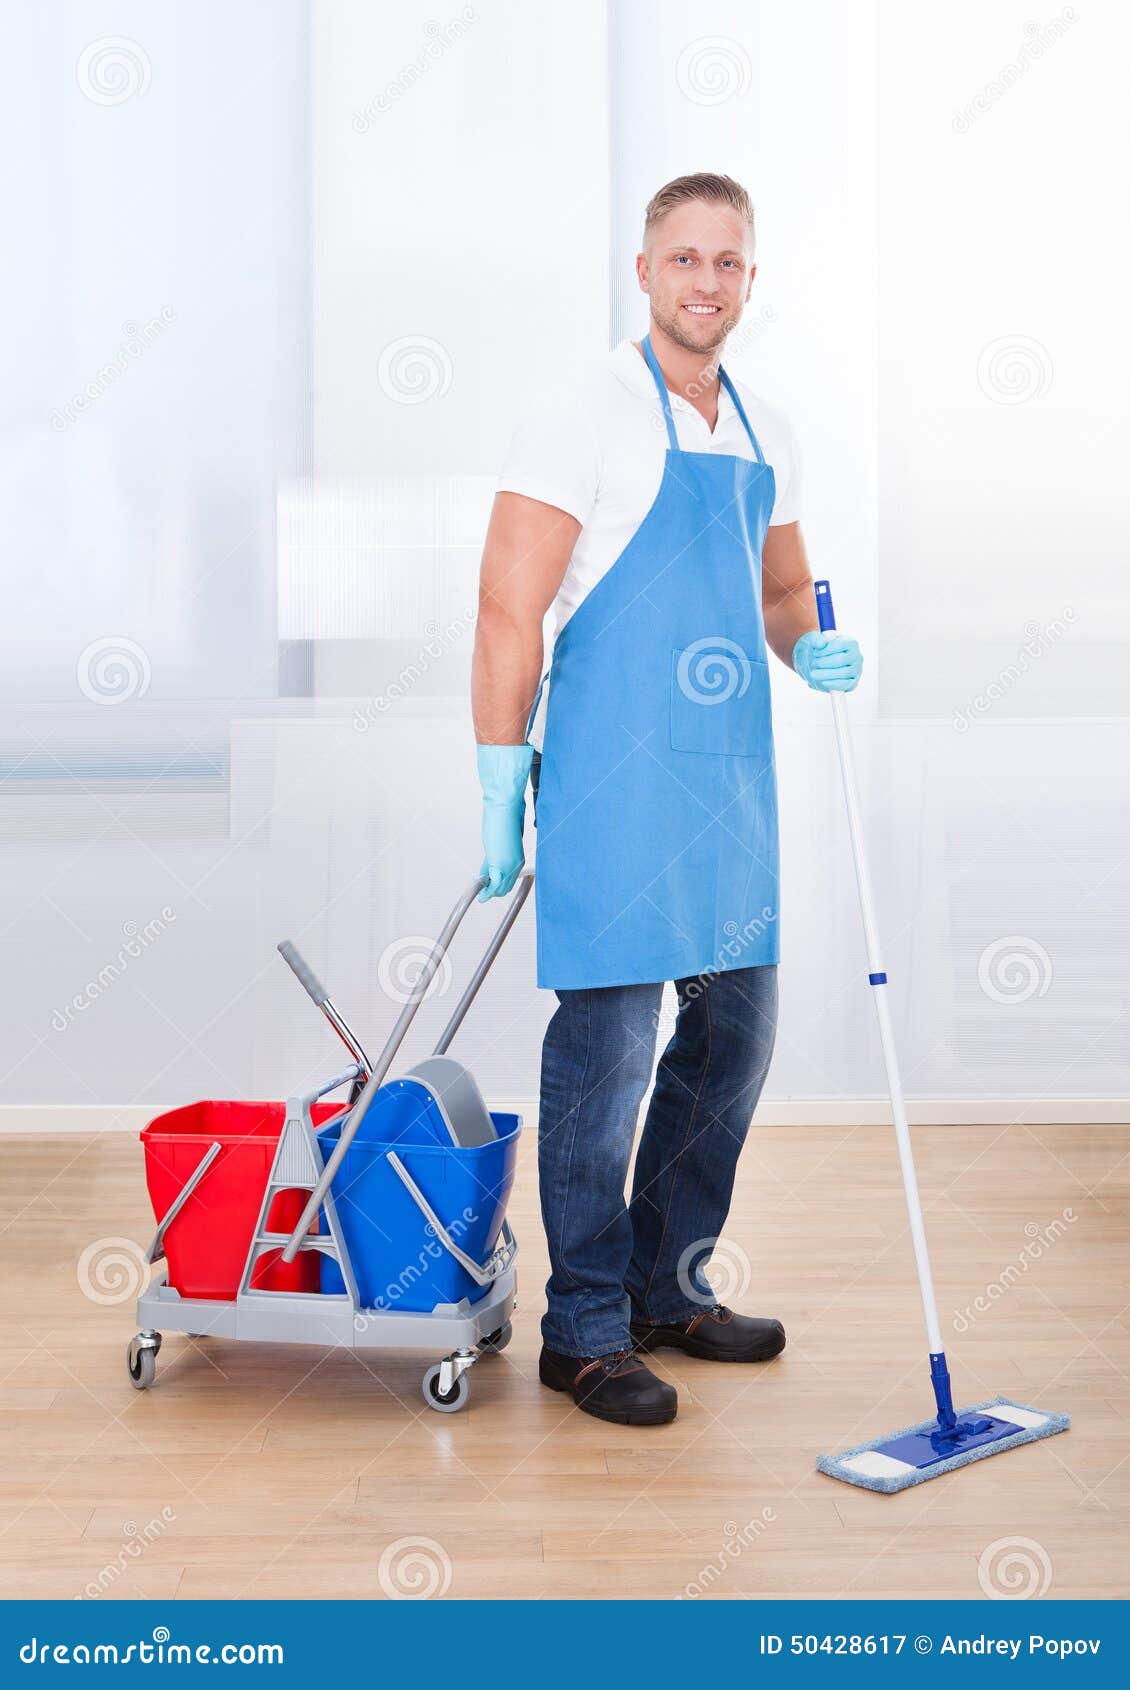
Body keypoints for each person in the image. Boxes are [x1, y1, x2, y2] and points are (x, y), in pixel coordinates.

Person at [470, 173, 862, 1426]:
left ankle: (664, 1287)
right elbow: (506, 604)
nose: (705, 280)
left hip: (726, 782)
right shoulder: (581, 408)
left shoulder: (765, 428)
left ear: (750, 279)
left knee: (732, 1043)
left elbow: (781, 598)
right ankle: (581, 1331)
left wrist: (817, 649)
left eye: (727, 262)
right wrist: (495, 773)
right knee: (608, 1053)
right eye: (682, 258)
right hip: (612, 777)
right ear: (643, 271)